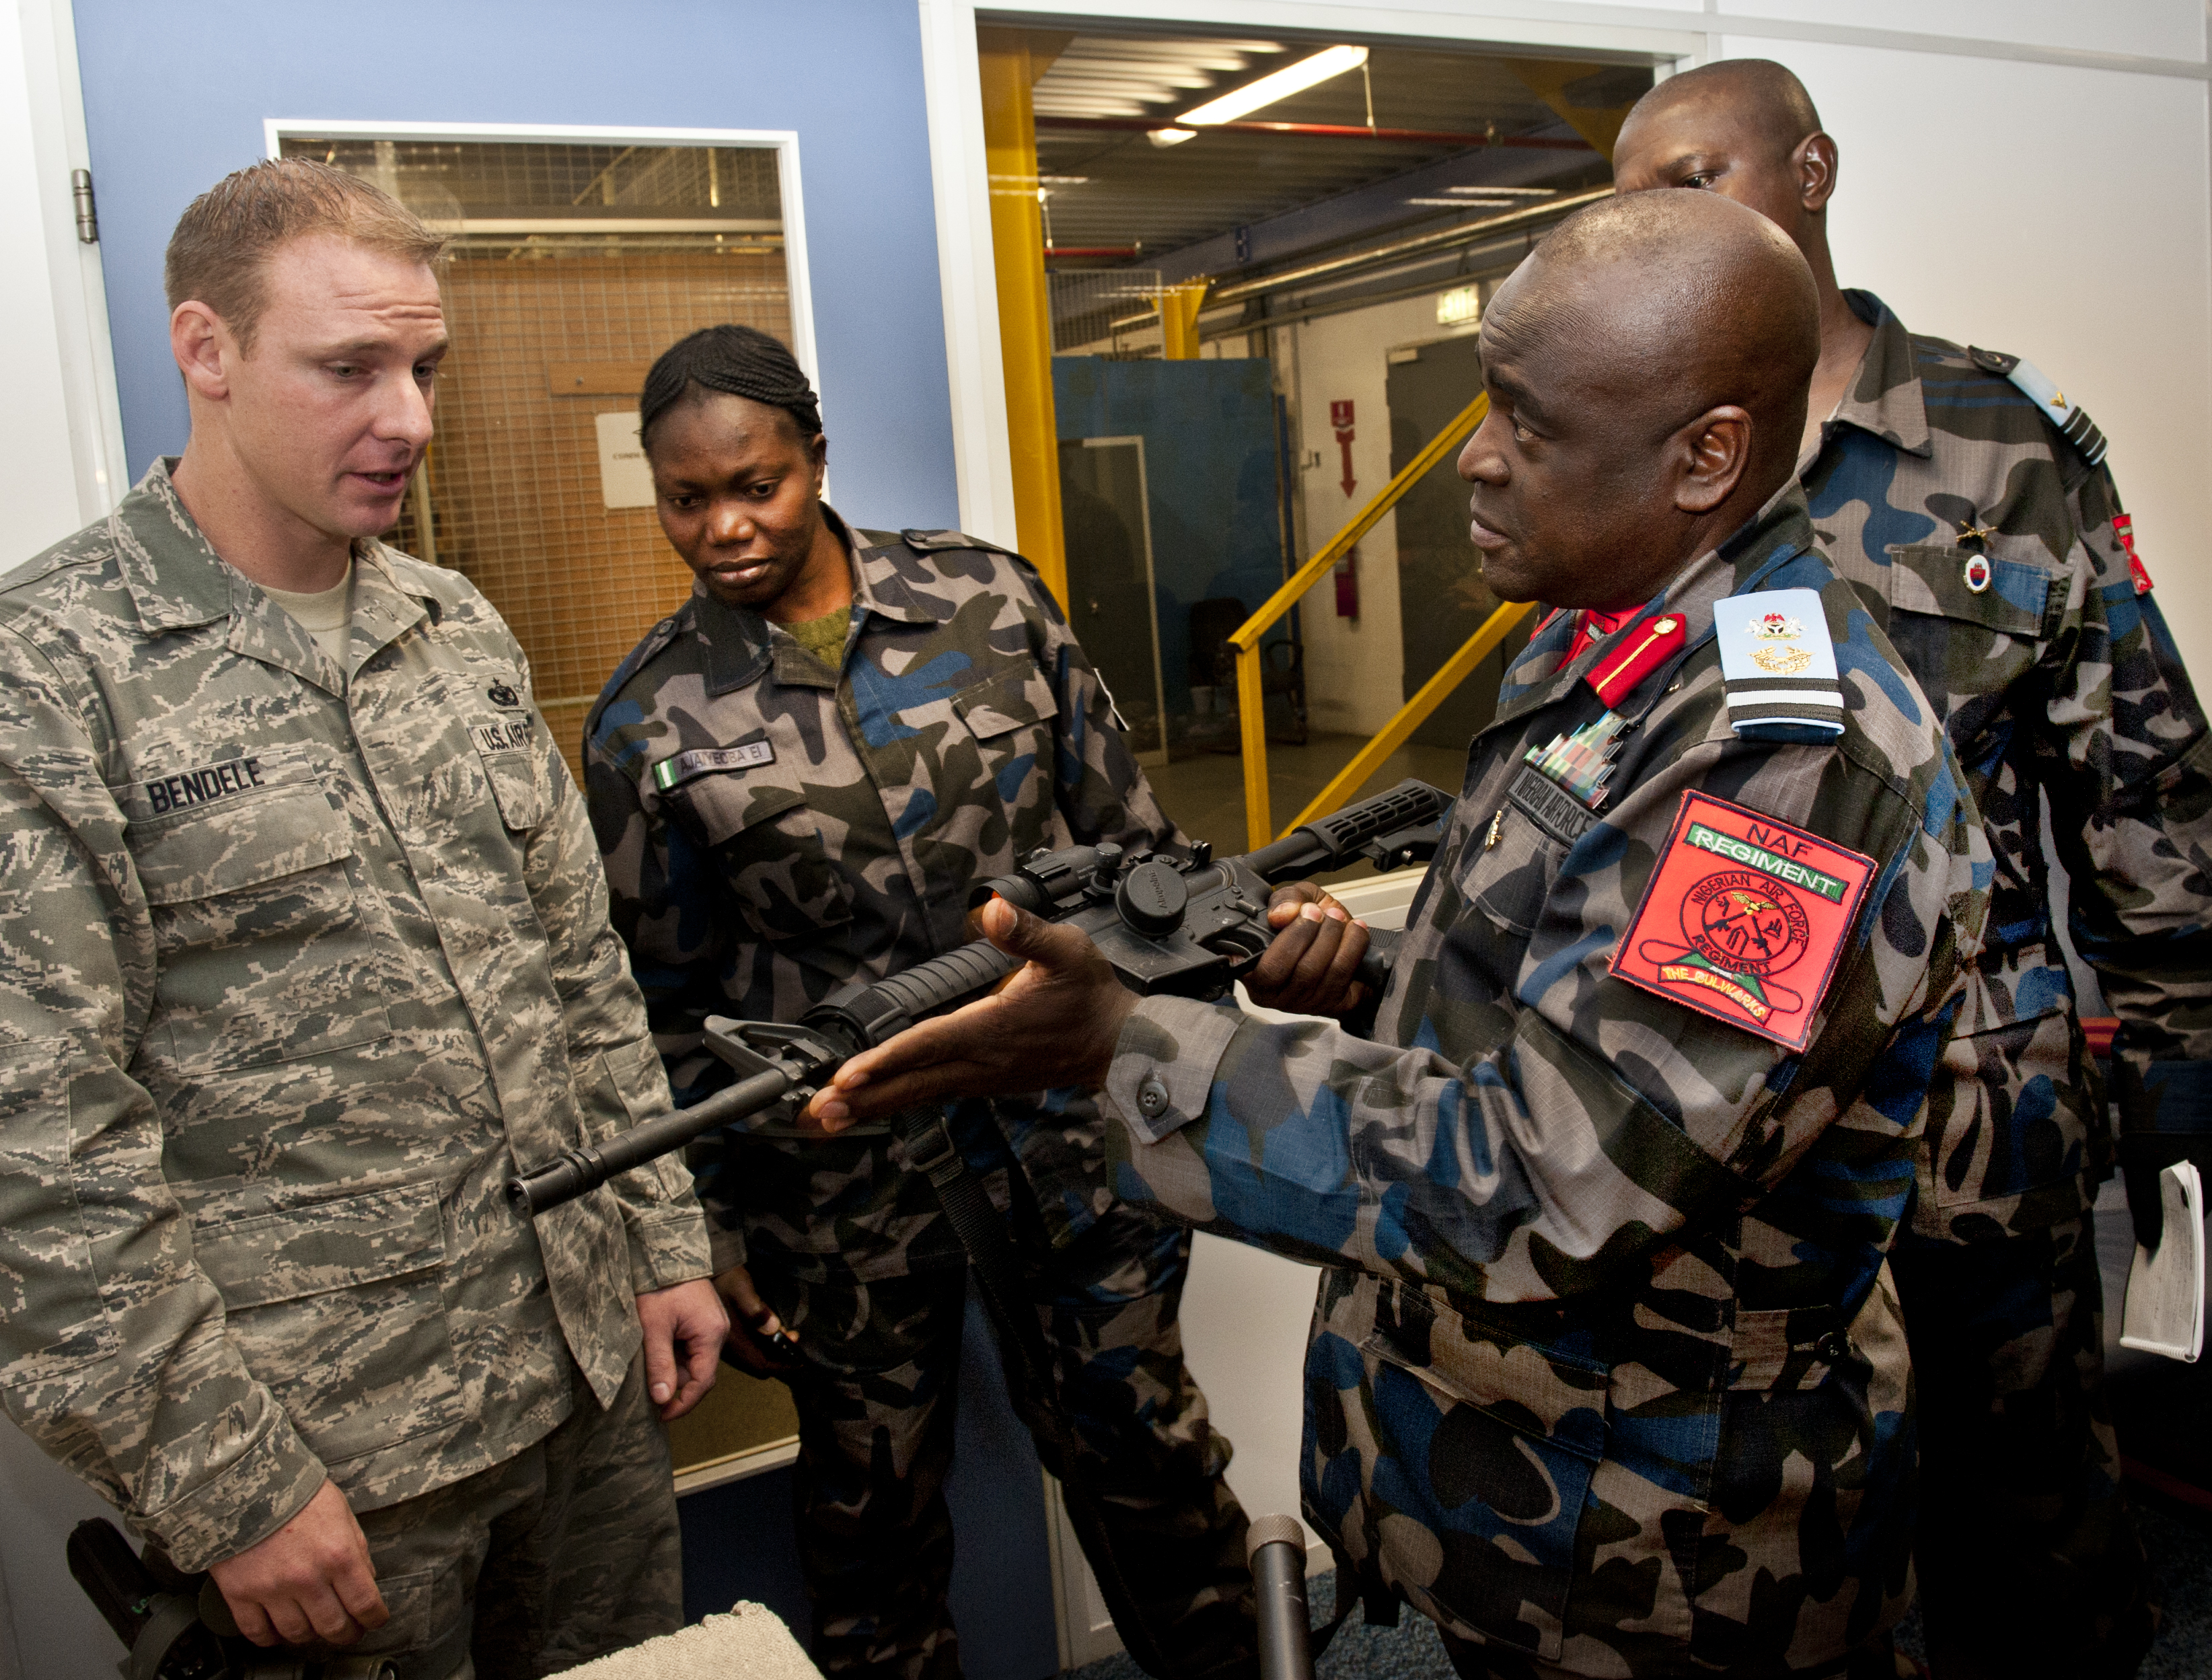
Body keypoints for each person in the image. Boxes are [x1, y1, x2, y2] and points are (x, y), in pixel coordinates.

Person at [800, 191, 1990, 1680]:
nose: (1477, 460)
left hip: (1665, 1568)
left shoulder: (1783, 756)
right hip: (1519, 1497)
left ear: (1707, 457)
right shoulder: (1612, 630)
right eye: (1488, 405)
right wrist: (1372, 977)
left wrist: (1126, 1046)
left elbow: (1564, 1177)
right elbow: (1580, 998)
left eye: (1530, 426)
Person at [0, 159, 725, 1679]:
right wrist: (227, 1482)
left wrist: (661, 1238)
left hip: (585, 1401)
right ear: (208, 350)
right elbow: (29, 1150)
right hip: (333, 1466)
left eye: (424, 367)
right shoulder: (43, 677)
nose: (411, 419)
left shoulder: (453, 629)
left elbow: (578, 975)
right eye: (350, 369)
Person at [1612, 60, 2209, 1677]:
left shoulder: (2004, 447)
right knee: (1788, 1540)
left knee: (2034, 1530)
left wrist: (2173, 1070)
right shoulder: (1649, 465)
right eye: (1630, 192)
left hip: (1977, 1109)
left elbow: (2142, 776)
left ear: (1809, 171)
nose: (1654, 221)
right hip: (1740, 1114)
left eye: (1696, 178)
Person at [581, 326, 1256, 1680]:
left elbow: (1138, 852)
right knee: (873, 1536)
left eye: (755, 484)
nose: (724, 526)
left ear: (816, 457)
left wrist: (1185, 1071)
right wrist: (704, 1224)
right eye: (686, 499)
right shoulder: (649, 721)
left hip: (1070, 1136)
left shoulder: (990, 604)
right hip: (843, 1192)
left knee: (1152, 1468)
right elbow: (664, 1005)